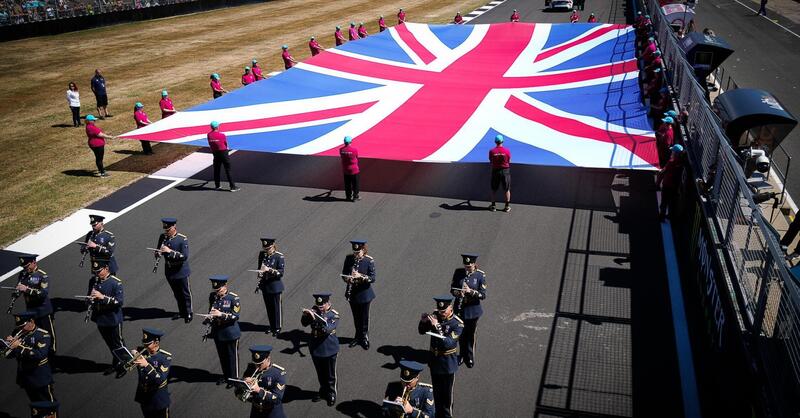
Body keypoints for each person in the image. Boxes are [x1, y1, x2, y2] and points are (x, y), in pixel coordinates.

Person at [418, 296, 463, 418]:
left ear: (451, 308)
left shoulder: (457, 324)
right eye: (439, 311)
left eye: (444, 311)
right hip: (435, 361)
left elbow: (448, 343)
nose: (441, 313)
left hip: (448, 364)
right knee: (437, 394)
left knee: (446, 397)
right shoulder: (435, 316)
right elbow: (422, 331)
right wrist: (423, 322)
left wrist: (437, 326)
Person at [86, 258, 126, 378]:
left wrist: (102, 297)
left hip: (113, 318)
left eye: (99, 271)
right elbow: (87, 297)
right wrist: (89, 300)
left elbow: (119, 302)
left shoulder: (115, 283)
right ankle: (116, 362)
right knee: (109, 343)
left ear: (106, 269)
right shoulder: (93, 281)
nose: (96, 274)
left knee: (118, 344)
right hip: (101, 319)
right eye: (95, 271)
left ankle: (123, 365)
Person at [4, 312, 54, 402]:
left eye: (23, 325)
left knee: (48, 404)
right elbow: (10, 355)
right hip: (25, 377)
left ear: (31, 321)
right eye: (18, 326)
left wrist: (19, 346)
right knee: (34, 405)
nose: (20, 328)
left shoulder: (43, 335)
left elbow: (40, 354)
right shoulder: (18, 332)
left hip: (39, 377)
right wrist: (7, 346)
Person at [301, 293, 339, 406]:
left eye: (322, 305)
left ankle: (332, 393)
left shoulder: (334, 315)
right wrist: (306, 315)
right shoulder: (315, 311)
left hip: (329, 348)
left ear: (328, 303)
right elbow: (303, 324)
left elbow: (326, 330)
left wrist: (315, 319)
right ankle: (323, 391)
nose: (320, 307)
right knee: (320, 373)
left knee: (330, 374)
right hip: (316, 347)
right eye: (318, 305)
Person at [449, 254, 486, 368]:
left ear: (474, 264)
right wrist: (458, 293)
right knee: (460, 334)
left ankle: (469, 357)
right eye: (466, 266)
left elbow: (483, 295)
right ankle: (461, 355)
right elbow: (452, 289)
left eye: (469, 266)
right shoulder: (458, 272)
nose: (467, 268)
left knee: (470, 335)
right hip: (459, 310)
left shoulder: (480, 275)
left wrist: (471, 291)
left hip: (472, 311)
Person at [204, 275, 241, 387]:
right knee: (222, 356)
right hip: (218, 332)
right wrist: (208, 317)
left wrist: (221, 315)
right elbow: (211, 309)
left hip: (230, 333)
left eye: (219, 289)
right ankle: (226, 376)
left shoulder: (233, 298)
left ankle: (234, 379)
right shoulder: (213, 296)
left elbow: (235, 316)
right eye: (215, 290)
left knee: (232, 357)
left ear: (225, 286)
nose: (217, 292)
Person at [14, 255, 56, 355]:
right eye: (24, 267)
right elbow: (20, 287)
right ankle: (38, 352)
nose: (26, 268)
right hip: (31, 311)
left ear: (34, 262)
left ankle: (52, 353)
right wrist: (17, 292)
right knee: (34, 333)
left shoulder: (42, 276)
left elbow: (43, 293)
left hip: (43, 310)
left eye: (27, 266)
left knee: (48, 333)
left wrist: (26, 289)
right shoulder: (23, 274)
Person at [154, 217, 193, 323]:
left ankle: (189, 312)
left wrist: (170, 251)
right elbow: (157, 251)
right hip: (169, 270)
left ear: (174, 227)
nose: (166, 231)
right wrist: (158, 254)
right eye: (165, 229)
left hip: (181, 270)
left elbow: (184, 256)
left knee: (185, 293)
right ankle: (181, 311)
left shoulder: (182, 239)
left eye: (168, 229)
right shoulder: (163, 237)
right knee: (176, 293)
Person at [341, 239, 376, 349]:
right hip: (352, 293)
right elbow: (344, 274)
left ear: (363, 250)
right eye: (355, 252)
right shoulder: (349, 259)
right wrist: (348, 278)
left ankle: (364, 337)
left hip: (364, 294)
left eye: (358, 252)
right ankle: (357, 336)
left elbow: (372, 278)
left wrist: (360, 276)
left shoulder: (369, 261)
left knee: (364, 317)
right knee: (356, 317)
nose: (356, 255)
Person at [134, 328, 171, 418]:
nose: (145, 346)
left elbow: (160, 379)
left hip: (158, 399)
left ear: (156, 343)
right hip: (144, 397)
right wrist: (130, 354)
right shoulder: (141, 352)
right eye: (144, 344)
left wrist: (146, 365)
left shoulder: (164, 359)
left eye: (148, 344)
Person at [240, 345, 286, 417]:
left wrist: (258, 390)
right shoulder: (251, 368)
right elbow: (239, 392)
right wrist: (243, 383)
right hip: (256, 411)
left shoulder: (278, 373)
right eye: (255, 364)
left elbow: (277, 399)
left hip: (272, 413)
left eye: (260, 364)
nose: (257, 367)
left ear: (268, 359)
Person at [257, 237, 285, 337]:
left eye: (268, 248)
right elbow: (259, 267)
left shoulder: (279, 256)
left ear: (273, 246)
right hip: (265, 286)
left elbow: (280, 273)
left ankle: (278, 327)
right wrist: (260, 273)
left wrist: (270, 270)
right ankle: (272, 326)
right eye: (265, 248)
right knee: (269, 307)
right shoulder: (262, 255)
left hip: (275, 286)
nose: (267, 250)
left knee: (276, 308)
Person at [207, 121, 240, 192]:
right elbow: (225, 144)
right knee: (228, 170)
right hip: (223, 153)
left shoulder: (209, 135)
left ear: (211, 127)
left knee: (216, 170)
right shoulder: (222, 135)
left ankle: (217, 185)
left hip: (215, 153)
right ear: (217, 127)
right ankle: (232, 186)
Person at [656, 144, 685, 221]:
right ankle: (671, 216)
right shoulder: (682, 162)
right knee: (672, 202)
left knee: (664, 202)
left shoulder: (671, 162)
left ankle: (662, 217)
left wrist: (659, 171)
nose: (671, 152)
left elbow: (663, 171)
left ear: (675, 153)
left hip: (667, 185)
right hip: (676, 186)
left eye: (672, 151)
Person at [489, 134, 511, 212]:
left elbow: (491, 160)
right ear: (502, 141)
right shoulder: (507, 150)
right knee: (506, 189)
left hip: (496, 171)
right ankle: (507, 207)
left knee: (494, 189)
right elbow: (508, 160)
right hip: (505, 171)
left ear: (495, 142)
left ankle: (493, 206)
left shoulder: (492, 151)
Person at [339, 135, 360, 201]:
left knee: (347, 184)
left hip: (346, 170)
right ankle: (355, 196)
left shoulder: (341, 150)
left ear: (344, 142)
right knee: (355, 184)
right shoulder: (354, 150)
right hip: (354, 169)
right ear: (351, 142)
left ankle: (348, 196)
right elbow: (356, 157)